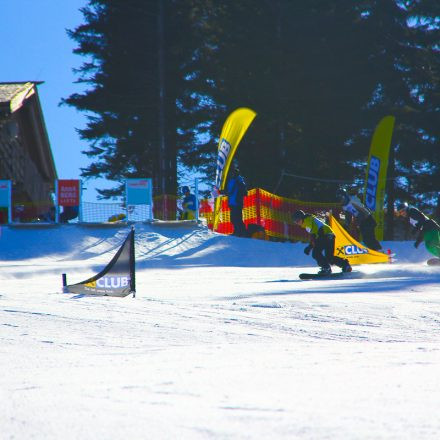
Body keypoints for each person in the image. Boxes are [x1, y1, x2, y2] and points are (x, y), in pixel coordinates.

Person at [293, 209, 352, 274]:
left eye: (297, 220)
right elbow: (314, 235)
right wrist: (310, 246)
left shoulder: (307, 220)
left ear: (301, 218)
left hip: (324, 235)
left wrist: (309, 247)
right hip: (330, 235)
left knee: (316, 253)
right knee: (329, 257)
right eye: (295, 222)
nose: (297, 223)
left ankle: (326, 268)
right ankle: (345, 265)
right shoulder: (309, 219)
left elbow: (314, 235)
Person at [225, 165, 247, 237]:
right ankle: (237, 231)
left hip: (237, 202)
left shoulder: (240, 180)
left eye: (233, 173)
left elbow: (244, 191)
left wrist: (239, 183)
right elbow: (228, 191)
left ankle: (241, 232)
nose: (232, 175)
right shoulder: (231, 181)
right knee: (233, 219)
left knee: (237, 218)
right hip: (232, 203)